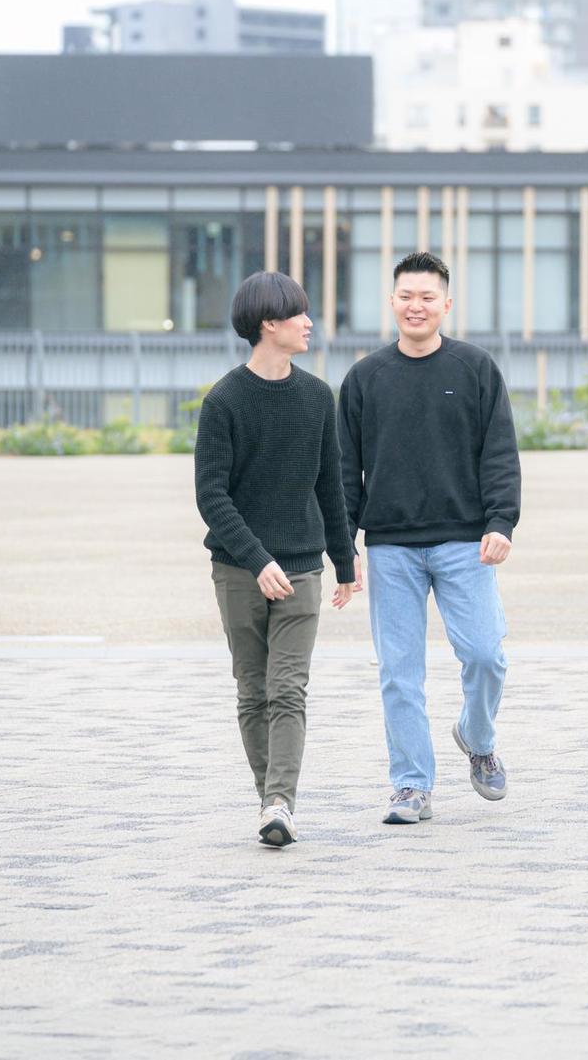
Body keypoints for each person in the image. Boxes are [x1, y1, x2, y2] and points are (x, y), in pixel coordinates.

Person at [338, 252, 519, 826]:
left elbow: (499, 452)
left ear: (447, 304)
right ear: (391, 302)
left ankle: (477, 737)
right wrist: (343, 548)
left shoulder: (475, 368)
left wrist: (501, 522)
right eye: (406, 296)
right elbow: (344, 470)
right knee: (399, 673)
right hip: (390, 546)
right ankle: (411, 785)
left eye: (427, 297)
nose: (415, 306)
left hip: (464, 542)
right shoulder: (365, 378)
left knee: (486, 654)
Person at [193, 271, 361, 848]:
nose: (309, 323)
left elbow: (329, 486)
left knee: (287, 689)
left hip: (302, 569)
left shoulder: (317, 397)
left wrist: (345, 562)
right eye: (299, 314)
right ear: (268, 323)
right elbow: (211, 496)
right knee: (253, 690)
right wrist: (257, 559)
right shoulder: (223, 401)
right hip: (238, 570)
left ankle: (279, 802)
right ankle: (270, 795)